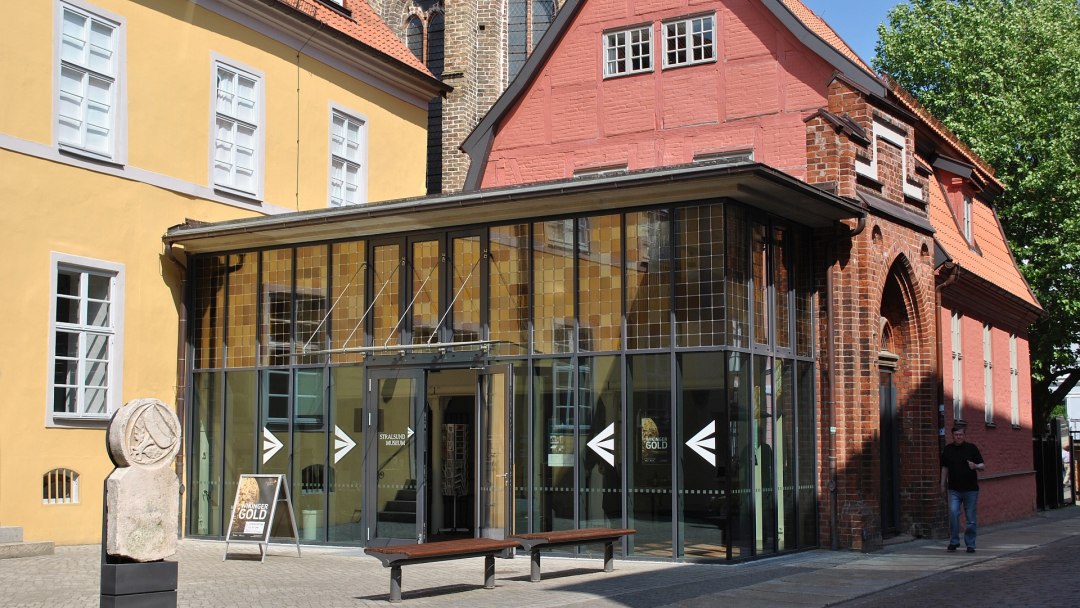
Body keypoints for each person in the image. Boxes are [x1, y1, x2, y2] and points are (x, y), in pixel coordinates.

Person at [940, 425, 984, 553]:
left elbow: (983, 465)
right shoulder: (948, 450)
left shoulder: (971, 448)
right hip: (954, 489)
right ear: (952, 436)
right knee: (953, 514)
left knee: (970, 518)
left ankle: (970, 544)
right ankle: (954, 541)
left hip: (970, 489)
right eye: (956, 435)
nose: (959, 437)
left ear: (964, 435)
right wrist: (942, 484)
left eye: (961, 434)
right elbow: (944, 468)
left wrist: (975, 466)